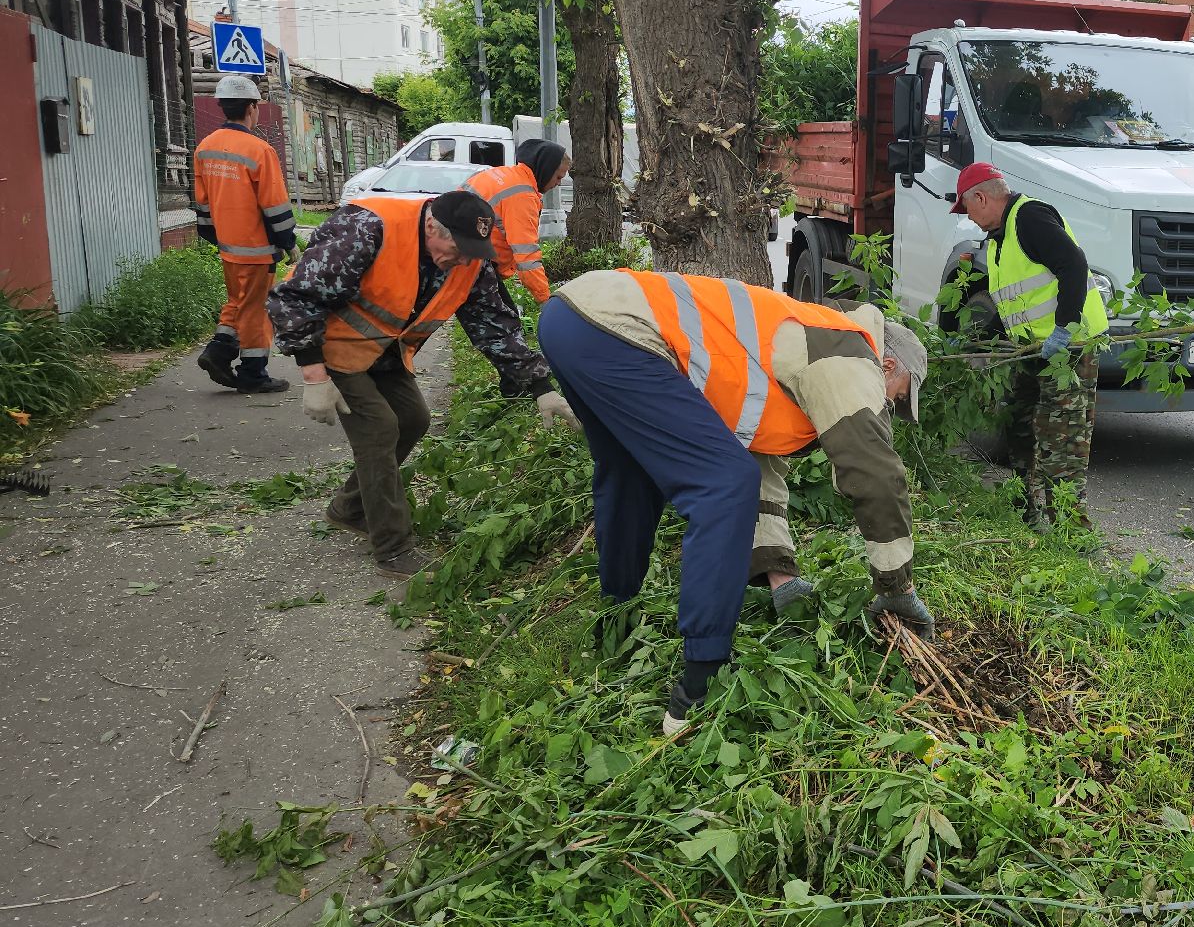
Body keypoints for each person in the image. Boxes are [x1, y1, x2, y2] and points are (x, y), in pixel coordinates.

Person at [541, 268, 932, 735]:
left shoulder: (804, 341)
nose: (889, 408)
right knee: (724, 485)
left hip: (572, 318)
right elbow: (875, 476)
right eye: (898, 397)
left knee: (629, 474)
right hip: (620, 329)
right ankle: (699, 686)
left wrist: (779, 573)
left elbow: (761, 462)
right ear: (887, 366)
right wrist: (896, 587)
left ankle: (616, 617)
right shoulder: (849, 355)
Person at [266, 190, 577, 579]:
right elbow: (295, 298)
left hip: (386, 351)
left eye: (471, 251)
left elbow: (494, 325)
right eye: (457, 248)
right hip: (332, 346)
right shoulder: (367, 228)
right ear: (432, 225)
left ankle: (350, 507)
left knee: (413, 419)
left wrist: (540, 387)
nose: (462, 260)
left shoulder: (469, 261)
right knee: (379, 428)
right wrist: (314, 374)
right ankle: (393, 548)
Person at [951, 162, 1109, 531]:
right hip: (1030, 350)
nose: (968, 217)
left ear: (981, 197)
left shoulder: (1030, 218)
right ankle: (1027, 513)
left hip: (1068, 350)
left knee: (1062, 442)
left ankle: (1071, 533)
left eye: (966, 207)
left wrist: (1064, 329)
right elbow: (1014, 302)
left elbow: (1073, 265)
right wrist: (977, 337)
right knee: (1018, 427)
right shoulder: (999, 238)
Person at [194, 74, 297, 393]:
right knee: (255, 309)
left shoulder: (205, 147)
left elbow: (203, 204)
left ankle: (219, 351)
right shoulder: (260, 150)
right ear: (252, 107)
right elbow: (274, 204)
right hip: (257, 249)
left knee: (238, 301)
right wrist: (288, 242)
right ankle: (253, 373)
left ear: (223, 106)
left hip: (229, 247)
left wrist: (217, 237)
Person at [459, 138, 570, 305]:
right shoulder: (522, 196)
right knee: (503, 321)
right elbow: (526, 257)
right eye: (558, 177)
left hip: (458, 255)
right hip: (471, 265)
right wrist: (546, 300)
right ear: (546, 170)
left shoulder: (503, 174)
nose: (559, 183)